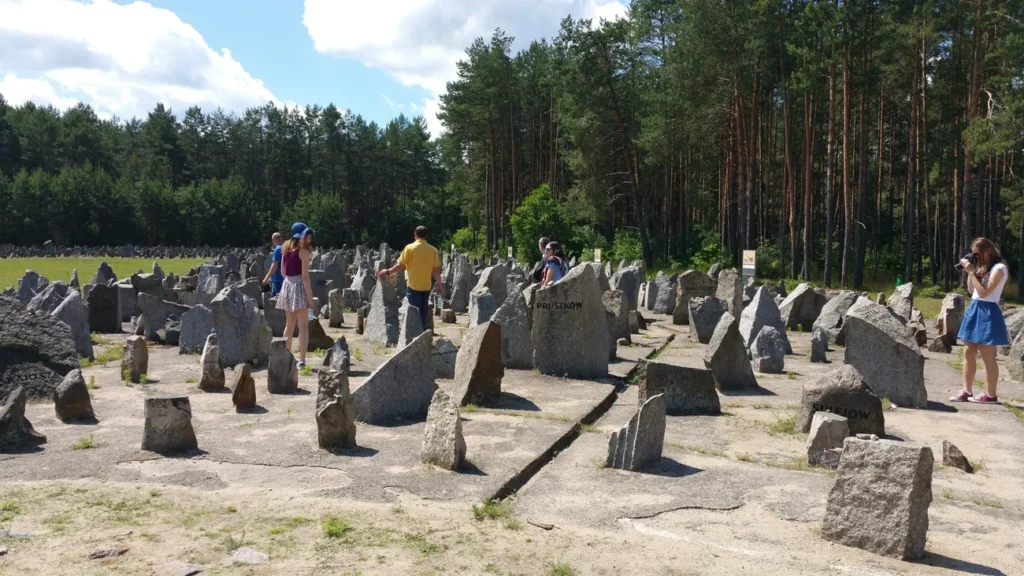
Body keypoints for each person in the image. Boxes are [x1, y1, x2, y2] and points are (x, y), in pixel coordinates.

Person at [951, 237, 1009, 404]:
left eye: (977, 253)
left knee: (987, 354)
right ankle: (966, 390)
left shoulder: (999, 268)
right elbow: (972, 290)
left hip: (988, 310)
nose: (975, 256)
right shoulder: (982, 268)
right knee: (968, 351)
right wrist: (972, 272)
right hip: (975, 307)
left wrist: (970, 272)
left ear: (988, 252)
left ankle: (990, 394)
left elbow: (985, 293)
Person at [378, 226, 442, 331]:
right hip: (426, 287)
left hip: (413, 286)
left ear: (415, 235)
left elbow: (400, 266)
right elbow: (436, 271)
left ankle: (417, 335)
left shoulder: (409, 248)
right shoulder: (433, 250)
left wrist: (388, 271)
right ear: (426, 236)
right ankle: (422, 334)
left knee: (414, 313)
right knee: (423, 312)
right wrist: (440, 284)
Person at [277, 222, 316, 369]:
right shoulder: (303, 252)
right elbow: (305, 277)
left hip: (287, 286)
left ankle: (285, 356)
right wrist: (310, 298)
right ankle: (302, 360)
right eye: (307, 234)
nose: (310, 236)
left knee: (289, 325)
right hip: (299, 286)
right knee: (303, 326)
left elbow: (283, 272)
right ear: (302, 236)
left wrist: (290, 281)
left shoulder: (285, 250)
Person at [262, 232, 285, 297]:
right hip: (284, 278)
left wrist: (266, 278)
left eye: (272, 239)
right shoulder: (284, 248)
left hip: (277, 279)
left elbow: (274, 265)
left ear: (274, 240)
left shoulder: (277, 249)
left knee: (275, 301)